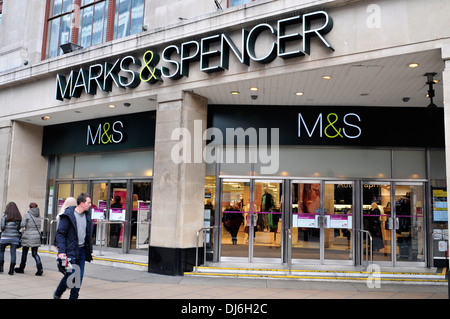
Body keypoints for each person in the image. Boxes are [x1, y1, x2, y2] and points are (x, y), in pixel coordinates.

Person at [54, 193, 93, 299]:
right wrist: (61, 251)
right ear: (81, 203)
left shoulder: (87, 216)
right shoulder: (68, 216)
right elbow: (61, 234)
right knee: (72, 275)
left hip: (82, 251)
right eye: (88, 202)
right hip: (70, 250)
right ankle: (58, 292)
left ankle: (73, 297)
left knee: (78, 278)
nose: (90, 205)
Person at [14, 202, 43, 275]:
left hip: (28, 235)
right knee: (35, 253)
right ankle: (40, 268)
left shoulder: (27, 214)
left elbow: (22, 225)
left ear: (30, 207)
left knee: (24, 253)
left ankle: (21, 268)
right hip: (36, 235)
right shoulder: (38, 215)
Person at [0, 202, 22, 275]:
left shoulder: (4, 215)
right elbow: (18, 228)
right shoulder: (18, 216)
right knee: (13, 253)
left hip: (5, 237)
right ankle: (11, 270)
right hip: (15, 237)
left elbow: (2, 227)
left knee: (1, 251)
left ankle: (1, 267)